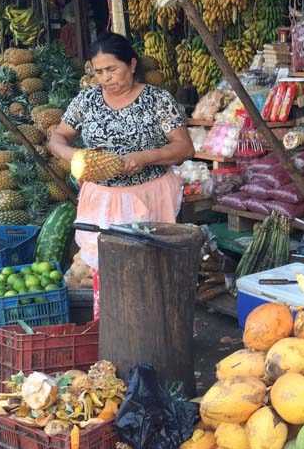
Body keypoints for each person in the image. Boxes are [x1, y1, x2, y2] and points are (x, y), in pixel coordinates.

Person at [48, 33, 194, 309]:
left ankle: (155, 328)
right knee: (108, 266)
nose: (106, 78)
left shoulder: (157, 100)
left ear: (132, 64)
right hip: (102, 199)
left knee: (151, 264)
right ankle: (114, 330)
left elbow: (184, 148)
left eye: (112, 69)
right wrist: (74, 155)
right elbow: (57, 138)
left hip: (148, 195)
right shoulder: (86, 101)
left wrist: (147, 157)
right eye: (99, 72)